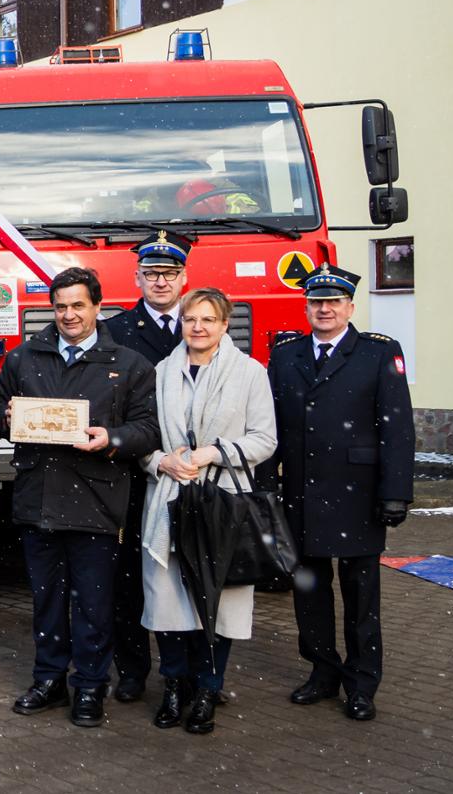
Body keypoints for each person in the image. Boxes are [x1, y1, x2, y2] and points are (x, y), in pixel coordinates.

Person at [0, 266, 159, 729]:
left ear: (97, 307)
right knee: (46, 599)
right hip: (38, 497)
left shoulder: (129, 365)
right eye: (60, 306)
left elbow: (149, 429)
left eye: (78, 305)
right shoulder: (25, 357)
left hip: (97, 500)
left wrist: (112, 438)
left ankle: (89, 686)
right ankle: (48, 680)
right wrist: (4, 416)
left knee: (93, 602)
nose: (68, 315)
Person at [265, 265, 413, 722]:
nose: (324, 309)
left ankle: (362, 684)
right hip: (301, 496)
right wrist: (267, 490)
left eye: (333, 302)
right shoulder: (285, 355)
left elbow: (397, 429)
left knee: (361, 597)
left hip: (358, 497)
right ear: (306, 306)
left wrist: (395, 494)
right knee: (309, 593)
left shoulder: (376, 354)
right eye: (316, 302)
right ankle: (323, 672)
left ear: (350, 307)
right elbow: (269, 427)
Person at [136, 287, 276, 735]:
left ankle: (207, 689)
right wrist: (160, 460)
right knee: (169, 601)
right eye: (190, 319)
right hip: (170, 499)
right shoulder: (160, 373)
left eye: (207, 320)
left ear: (224, 324)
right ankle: (174, 687)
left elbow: (265, 440)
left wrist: (213, 453)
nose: (197, 327)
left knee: (221, 600)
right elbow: (142, 436)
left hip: (223, 502)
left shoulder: (250, 373)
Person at [98, 232, 190, 704]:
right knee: (128, 575)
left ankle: (190, 673)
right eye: (151, 273)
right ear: (136, 278)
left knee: (184, 572)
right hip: (133, 472)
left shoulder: (198, 326)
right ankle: (132, 669)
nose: (160, 281)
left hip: (189, 473)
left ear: (184, 277)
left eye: (169, 274)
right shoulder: (116, 330)